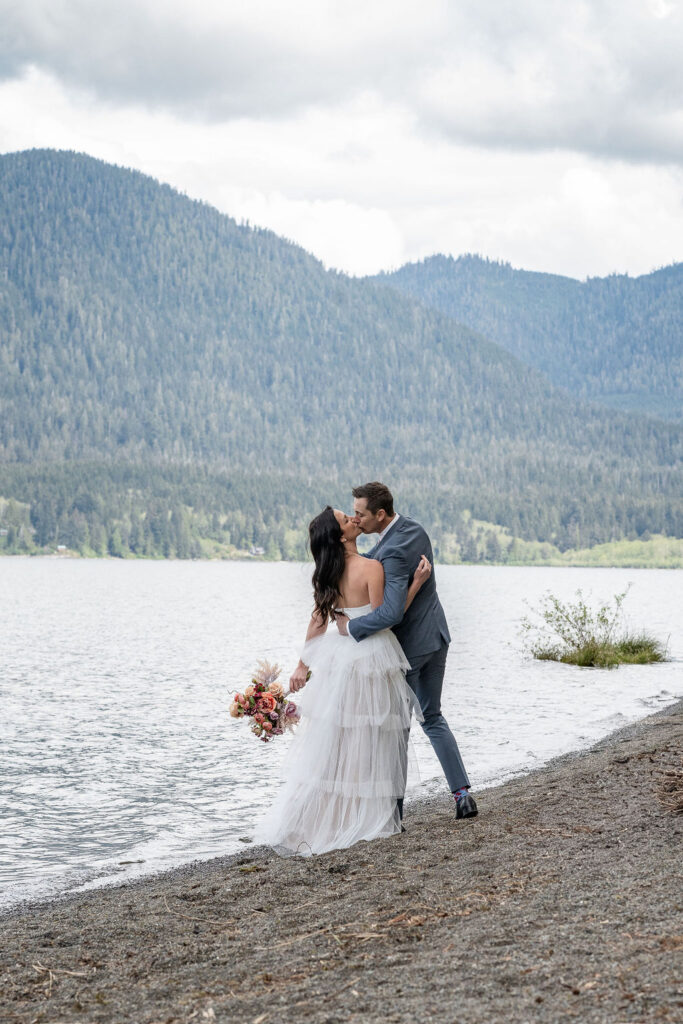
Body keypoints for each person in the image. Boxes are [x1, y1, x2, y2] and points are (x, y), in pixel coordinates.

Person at [255, 506, 431, 856]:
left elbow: (318, 622)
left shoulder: (328, 574)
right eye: (345, 519)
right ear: (340, 536)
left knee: (338, 740)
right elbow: (386, 619)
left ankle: (331, 816)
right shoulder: (371, 568)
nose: (353, 519)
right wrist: (415, 585)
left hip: (338, 659)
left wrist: (301, 666)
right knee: (368, 740)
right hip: (371, 658)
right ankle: (361, 816)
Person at [337, 481, 477, 821]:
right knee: (433, 717)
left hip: (409, 650)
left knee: (397, 728)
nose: (356, 519)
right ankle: (462, 795)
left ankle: (394, 809)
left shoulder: (393, 551)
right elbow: (379, 560)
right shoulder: (413, 528)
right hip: (437, 638)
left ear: (380, 514)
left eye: (360, 514)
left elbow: (389, 613)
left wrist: (349, 628)